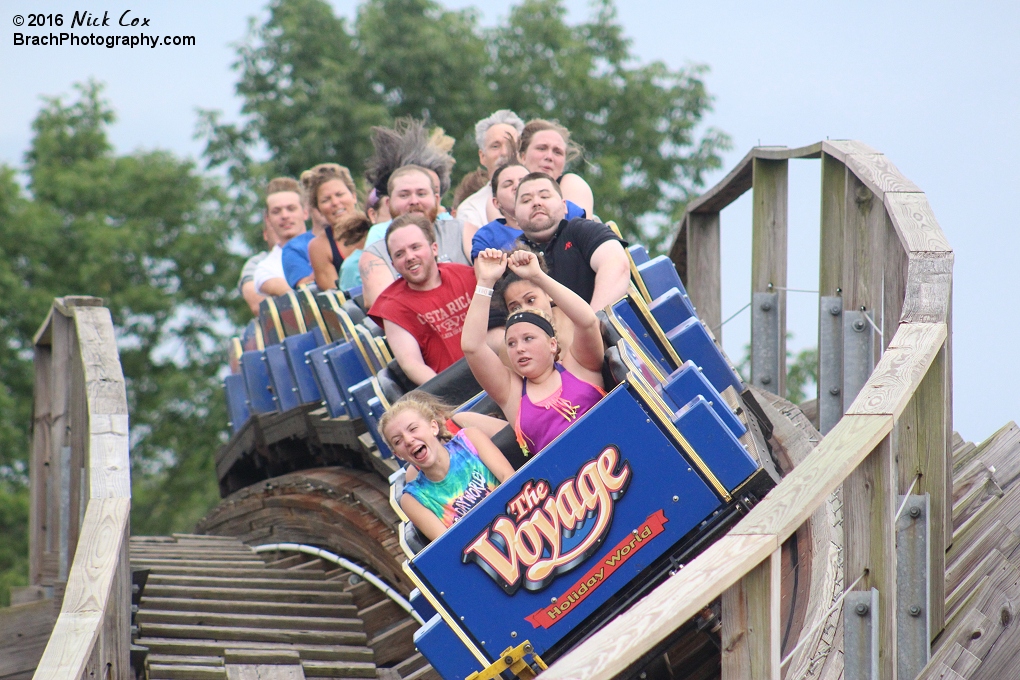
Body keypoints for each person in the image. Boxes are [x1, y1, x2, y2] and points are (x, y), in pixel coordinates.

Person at [462, 249, 606, 458]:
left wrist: (537, 276)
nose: (519, 348)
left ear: (552, 344)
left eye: (528, 339)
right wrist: (485, 282)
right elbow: (472, 347)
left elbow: (587, 321)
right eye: (511, 343)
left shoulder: (580, 366)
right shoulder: (511, 394)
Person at [380, 391, 514, 540]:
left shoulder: (471, 439)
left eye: (413, 429)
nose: (408, 440)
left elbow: (510, 479)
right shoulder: (413, 500)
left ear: (433, 427)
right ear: (398, 454)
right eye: (398, 441)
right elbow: (451, 544)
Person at [368, 214, 477, 385]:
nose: (410, 257)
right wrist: (452, 395)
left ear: (434, 248)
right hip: (452, 391)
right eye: (399, 254)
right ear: (393, 264)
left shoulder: (466, 275)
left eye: (415, 247)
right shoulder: (392, 308)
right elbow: (412, 365)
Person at [359, 166, 473, 308]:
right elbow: (387, 309)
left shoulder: (462, 230)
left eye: (421, 194)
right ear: (388, 204)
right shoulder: (375, 255)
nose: (414, 201)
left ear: (436, 200)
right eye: (404, 195)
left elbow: (489, 277)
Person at [514, 172, 630, 312]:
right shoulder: (512, 258)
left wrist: (594, 323)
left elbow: (616, 265)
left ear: (564, 206)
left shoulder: (581, 230)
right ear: (515, 217)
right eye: (526, 200)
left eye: (545, 196)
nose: (536, 203)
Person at [293, 164, 368, 290]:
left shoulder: (375, 227)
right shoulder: (319, 247)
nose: (335, 202)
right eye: (326, 200)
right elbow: (336, 298)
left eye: (339, 194)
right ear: (318, 209)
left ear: (353, 196)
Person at [503, 118, 594, 221]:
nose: (549, 157)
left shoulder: (572, 184)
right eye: (542, 148)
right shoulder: (504, 189)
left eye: (557, 152)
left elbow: (577, 231)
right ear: (522, 156)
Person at [458, 110, 526, 228]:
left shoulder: (545, 196)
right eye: (495, 146)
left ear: (522, 154)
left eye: (511, 145)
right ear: (482, 156)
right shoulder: (470, 210)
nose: (504, 153)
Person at [253, 178, 309, 296]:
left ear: (305, 212)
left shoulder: (327, 244)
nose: (284, 216)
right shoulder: (266, 268)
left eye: (291, 209)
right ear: (268, 219)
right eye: (276, 211)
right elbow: (297, 297)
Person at [470, 162, 529, 260]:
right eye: (508, 184)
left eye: (524, 181)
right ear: (496, 202)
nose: (517, 186)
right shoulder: (488, 236)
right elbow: (483, 274)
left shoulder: (558, 221)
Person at [238, 220, 278, 316]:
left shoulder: (313, 251)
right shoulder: (257, 263)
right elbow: (259, 306)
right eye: (274, 226)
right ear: (265, 234)